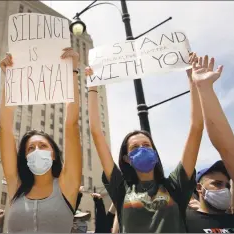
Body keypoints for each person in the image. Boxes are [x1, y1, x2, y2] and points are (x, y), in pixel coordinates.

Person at [85, 52, 203, 232]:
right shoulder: (121, 188)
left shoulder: (175, 185)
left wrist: (192, 79)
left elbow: (196, 128)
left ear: (155, 152)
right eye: (135, 147)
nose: (142, 149)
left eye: (146, 145)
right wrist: (92, 86)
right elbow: (96, 132)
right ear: (126, 158)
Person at [0, 48, 82, 232]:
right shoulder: (16, 185)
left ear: (53, 155)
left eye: (43, 145)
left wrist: (73, 71)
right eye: (30, 148)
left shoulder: (66, 184)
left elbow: (71, 125)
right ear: (24, 157)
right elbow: (5, 126)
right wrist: (10, 79)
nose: (36, 150)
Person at [185, 55, 234, 233]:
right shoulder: (183, 222)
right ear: (199, 188)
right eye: (217, 184)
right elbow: (227, 149)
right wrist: (202, 88)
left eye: (227, 185)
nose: (225, 190)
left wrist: (203, 87)